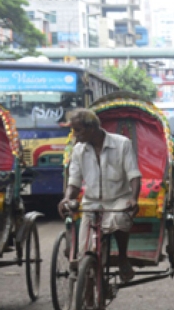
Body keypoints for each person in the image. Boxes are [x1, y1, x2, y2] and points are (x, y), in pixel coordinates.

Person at [59, 108, 143, 283]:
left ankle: (122, 258)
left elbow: (134, 175)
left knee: (120, 220)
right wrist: (67, 198)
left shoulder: (122, 144)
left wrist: (133, 198)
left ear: (91, 128)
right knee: (84, 252)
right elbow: (74, 181)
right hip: (92, 202)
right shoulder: (78, 150)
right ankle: (88, 291)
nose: (75, 134)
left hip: (118, 199)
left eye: (78, 130)